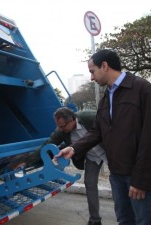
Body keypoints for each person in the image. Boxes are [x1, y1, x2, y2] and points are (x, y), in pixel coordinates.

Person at [55, 49, 151, 225]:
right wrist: (74, 148)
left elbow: (148, 138)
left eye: (92, 71)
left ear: (105, 66)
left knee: (144, 220)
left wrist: (141, 178)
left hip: (137, 176)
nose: (91, 77)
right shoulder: (107, 97)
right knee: (124, 220)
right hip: (117, 174)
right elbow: (97, 131)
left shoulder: (142, 89)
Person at [22, 107, 106, 225]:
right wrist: (27, 161)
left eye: (63, 126)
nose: (60, 129)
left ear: (72, 119)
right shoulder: (61, 131)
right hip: (93, 158)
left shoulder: (88, 117)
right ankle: (95, 220)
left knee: (122, 182)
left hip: (110, 152)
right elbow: (48, 144)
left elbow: (111, 124)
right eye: (59, 126)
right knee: (89, 183)